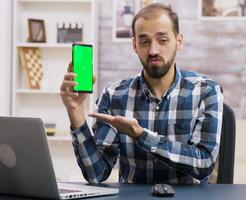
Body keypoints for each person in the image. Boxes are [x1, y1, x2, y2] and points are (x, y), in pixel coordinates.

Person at [60, 3, 223, 184]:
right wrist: (75, 111)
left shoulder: (206, 91)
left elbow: (204, 163)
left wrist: (141, 135)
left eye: (162, 40)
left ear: (179, 41)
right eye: (144, 41)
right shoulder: (114, 96)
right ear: (135, 45)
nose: (153, 50)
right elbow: (96, 174)